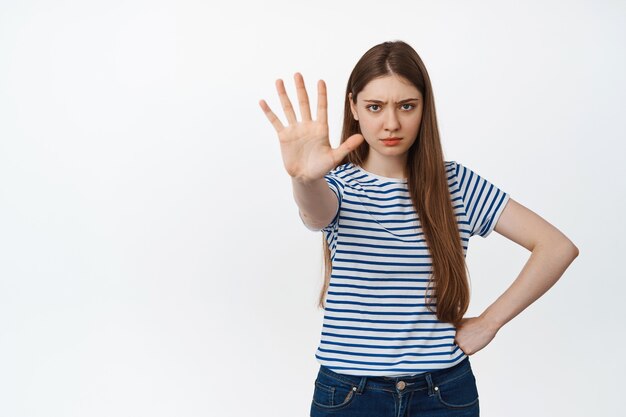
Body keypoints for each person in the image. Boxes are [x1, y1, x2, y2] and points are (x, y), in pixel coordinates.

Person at [258, 40, 579, 417]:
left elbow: (556, 247)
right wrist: (304, 179)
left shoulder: (455, 184)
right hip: (349, 395)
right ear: (354, 109)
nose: (391, 123)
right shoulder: (338, 186)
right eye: (374, 107)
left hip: (443, 393)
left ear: (424, 107)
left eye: (406, 106)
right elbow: (315, 214)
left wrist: (491, 322)